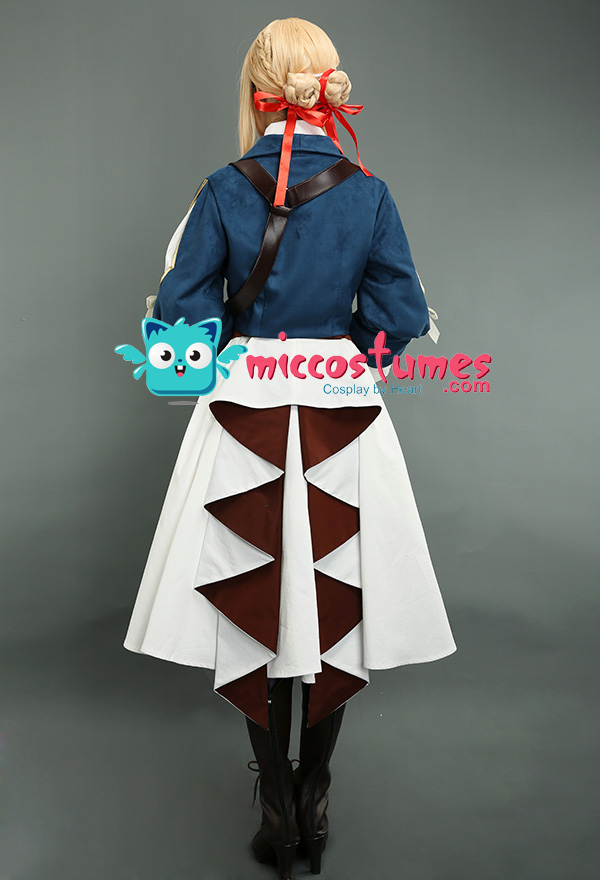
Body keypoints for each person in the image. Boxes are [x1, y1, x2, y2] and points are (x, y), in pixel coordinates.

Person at [123, 16, 457, 880]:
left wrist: (234, 345)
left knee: (257, 593)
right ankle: (315, 796)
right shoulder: (368, 193)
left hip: (245, 410)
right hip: (342, 410)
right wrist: (342, 356)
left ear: (257, 91)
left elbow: (185, 315)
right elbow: (400, 316)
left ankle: (276, 804)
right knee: (333, 592)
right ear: (327, 90)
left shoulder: (222, 188)